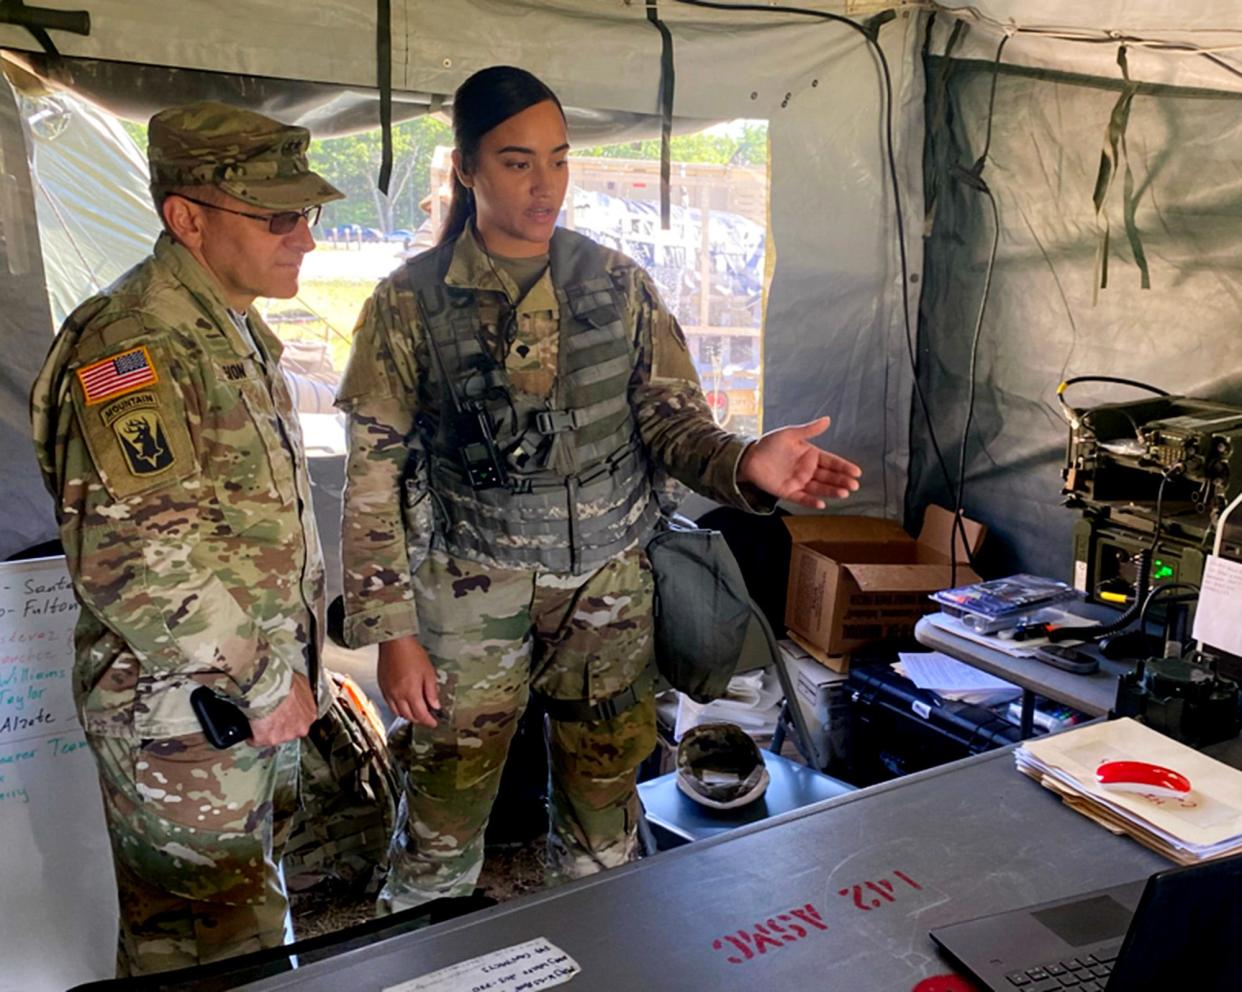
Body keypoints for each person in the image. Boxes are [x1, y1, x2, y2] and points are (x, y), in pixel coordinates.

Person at [336, 65, 862, 913]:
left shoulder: (616, 286)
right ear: (466, 167)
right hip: (469, 589)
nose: (545, 185)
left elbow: (674, 426)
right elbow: (372, 480)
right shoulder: (408, 304)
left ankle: (600, 951)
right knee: (442, 818)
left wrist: (748, 463)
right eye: (516, 162)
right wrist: (391, 632)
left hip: (608, 590)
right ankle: (424, 953)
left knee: (605, 820)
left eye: (558, 159)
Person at [29, 101, 342, 975]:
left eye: (306, 213)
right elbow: (137, 559)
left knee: (215, 937)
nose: (304, 239)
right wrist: (267, 678)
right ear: (187, 218)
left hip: (225, 710)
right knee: (212, 952)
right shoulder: (133, 345)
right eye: (279, 216)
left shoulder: (226, 327)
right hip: (186, 715)